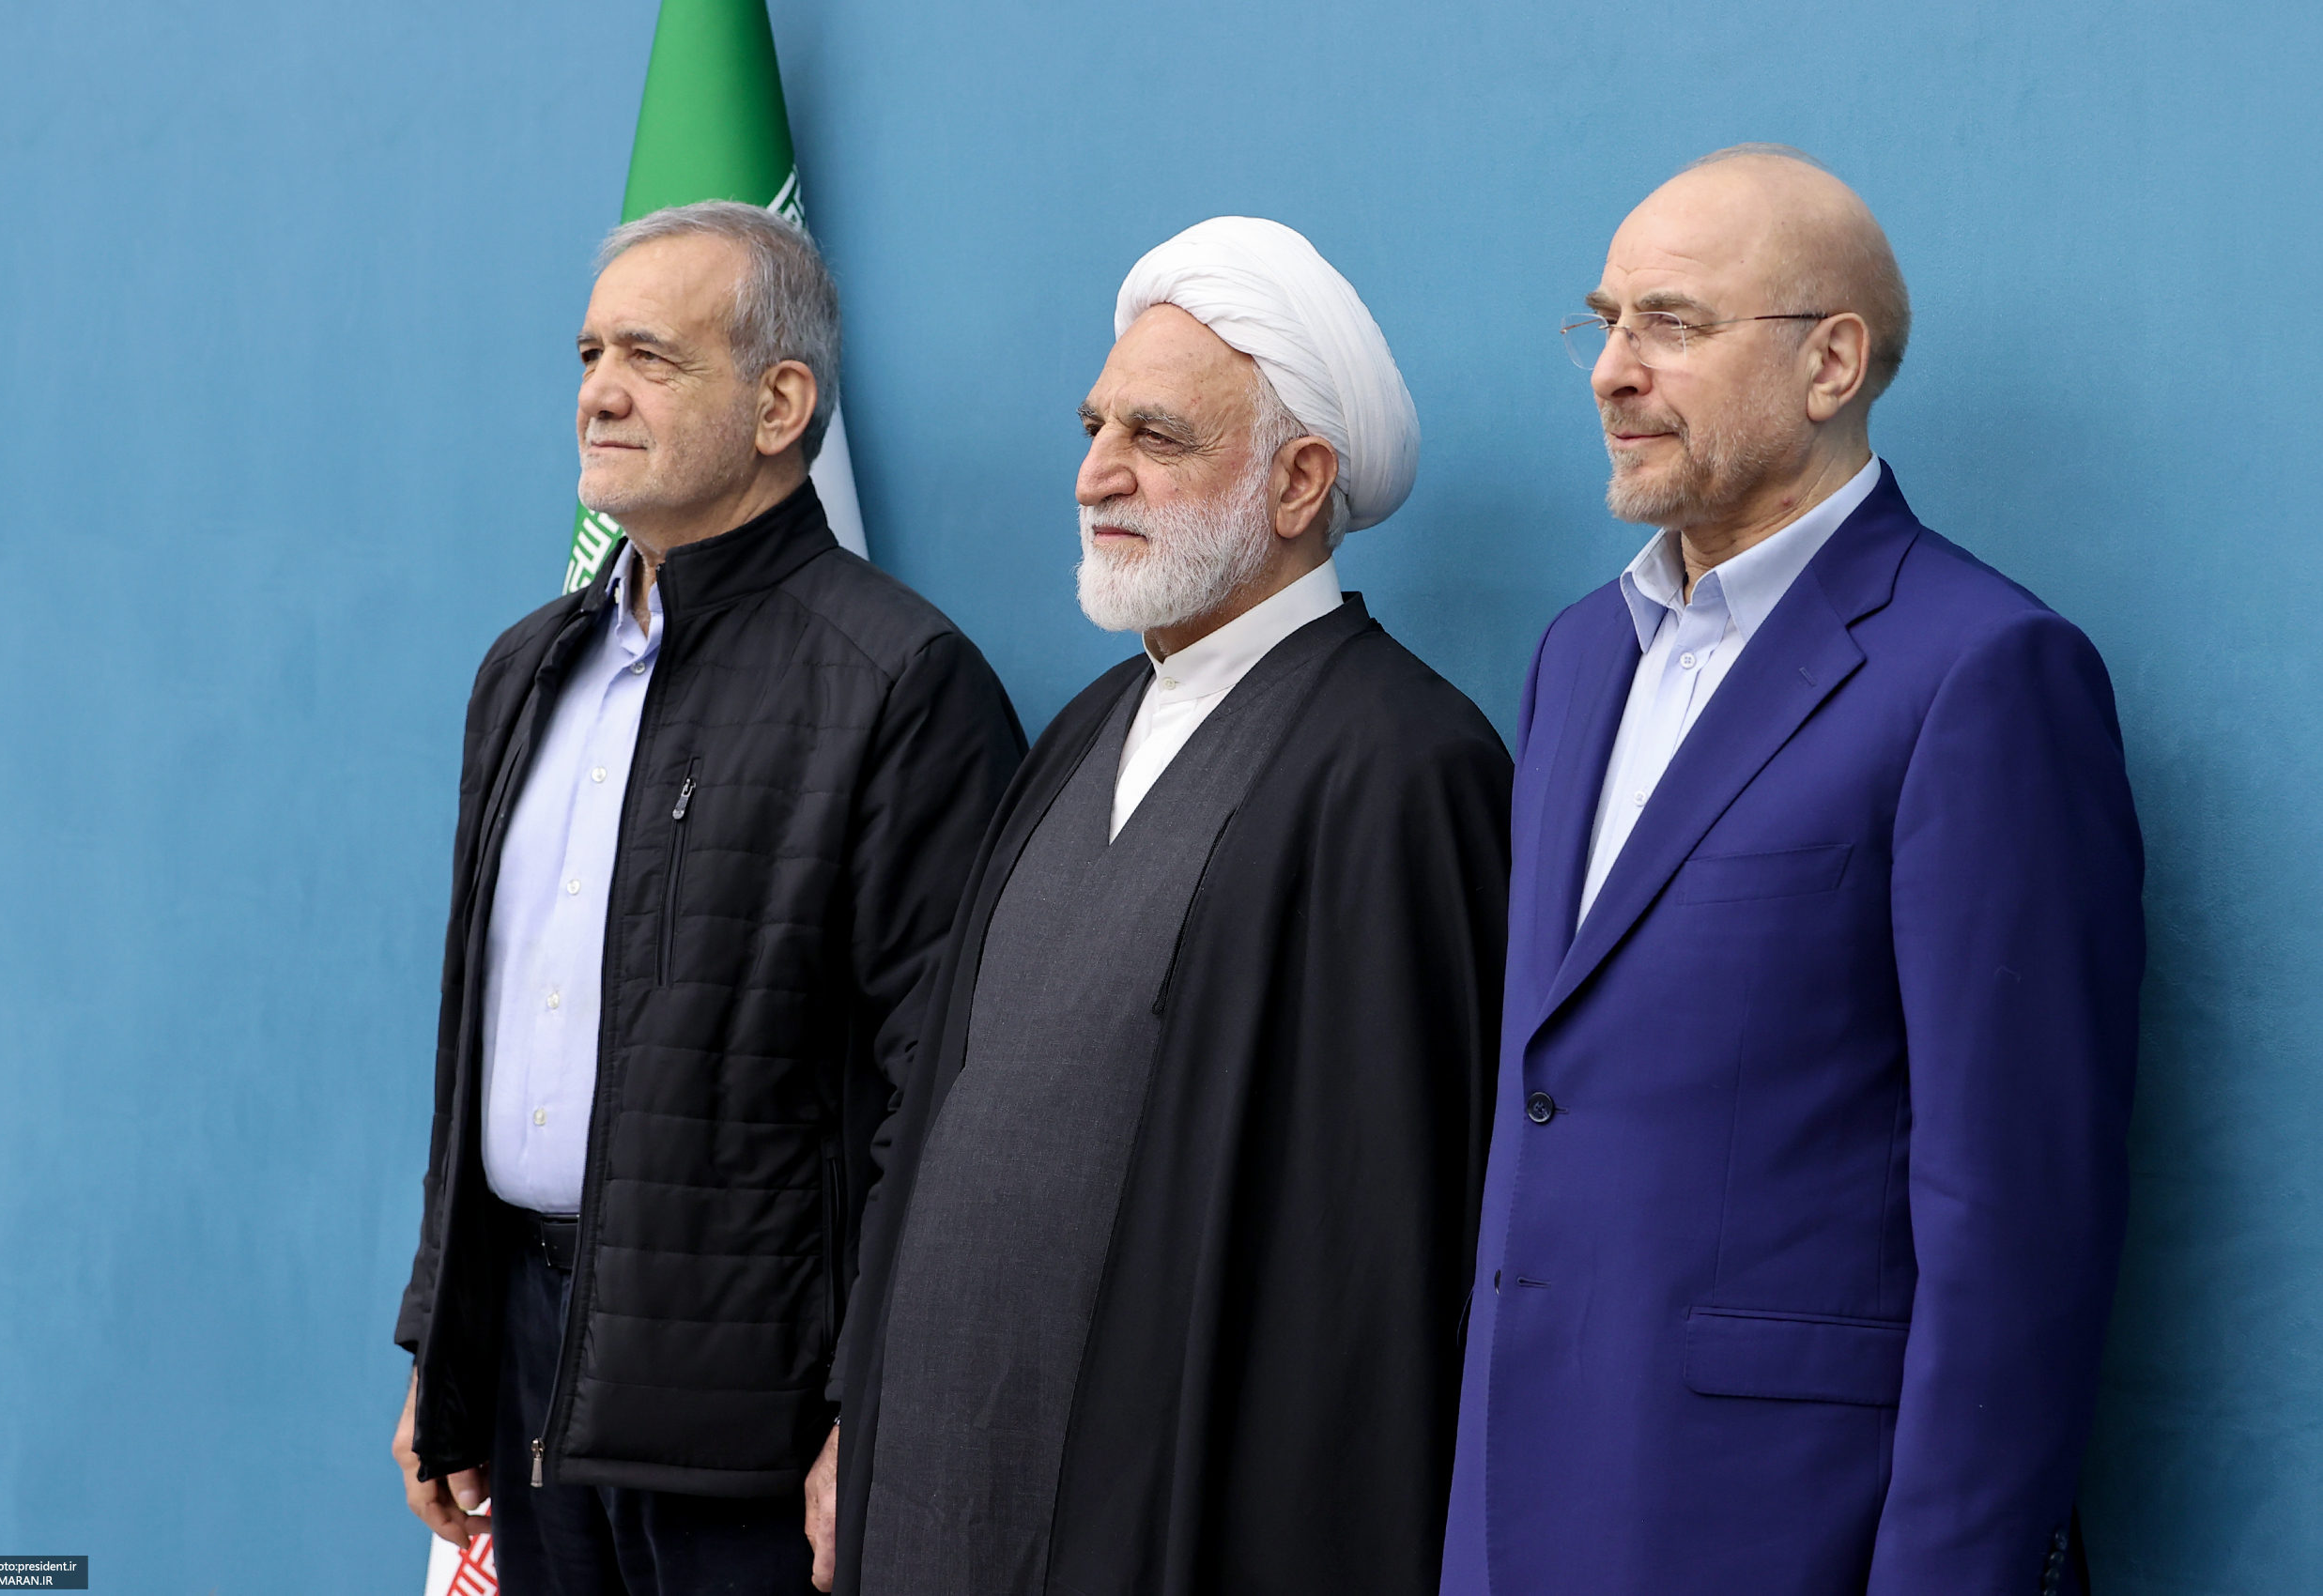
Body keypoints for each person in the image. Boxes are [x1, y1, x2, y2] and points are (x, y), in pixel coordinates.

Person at [1440, 146, 2143, 1596]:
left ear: (1830, 363)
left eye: (1670, 323)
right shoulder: (1578, 656)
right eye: (1604, 322)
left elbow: (2015, 1223)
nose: (1611, 371)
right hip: (1520, 1512)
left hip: (1782, 1529)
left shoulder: (1981, 672)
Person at [816, 217, 1513, 1596]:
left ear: (1298, 481)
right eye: (1094, 428)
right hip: (936, 1491)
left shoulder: (1408, 767)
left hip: (1186, 1518)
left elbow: (1383, 1254)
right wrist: (858, 1418)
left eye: (1157, 436)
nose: (1096, 473)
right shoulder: (1083, 729)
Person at [388, 200, 1024, 1596]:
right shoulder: (526, 670)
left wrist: (872, 1411)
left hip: (754, 1421)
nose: (599, 391)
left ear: (780, 405)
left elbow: (946, 1098)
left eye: (651, 357)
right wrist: (449, 1348)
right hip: (530, 1379)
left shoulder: (900, 682)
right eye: (589, 354)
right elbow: (480, 1048)